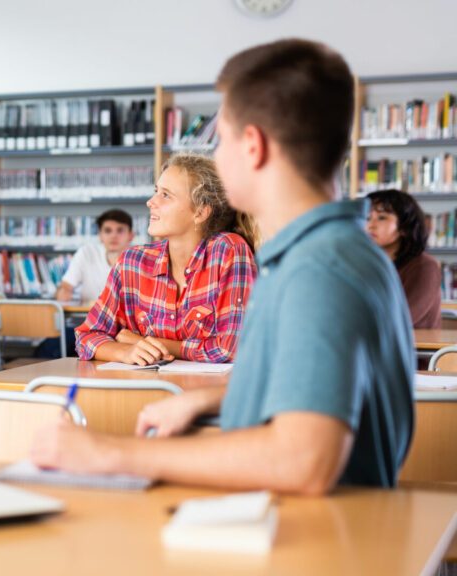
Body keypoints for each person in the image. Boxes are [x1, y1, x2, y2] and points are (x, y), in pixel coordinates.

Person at [31, 39, 414, 493]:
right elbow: (313, 384)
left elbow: (304, 461)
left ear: (252, 146)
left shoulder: (318, 271)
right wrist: (210, 400)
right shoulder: (331, 250)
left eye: (223, 139)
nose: (220, 155)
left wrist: (107, 453)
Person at [75, 153, 257, 366]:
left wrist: (147, 342)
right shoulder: (132, 263)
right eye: (155, 192)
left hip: (208, 396)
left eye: (166, 195)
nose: (151, 202)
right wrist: (123, 351)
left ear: (200, 212)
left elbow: (232, 348)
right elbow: (86, 337)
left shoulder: (229, 251)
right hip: (146, 393)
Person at [365, 189, 441, 329]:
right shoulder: (368, 264)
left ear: (404, 228)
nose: (371, 225)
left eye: (382, 217)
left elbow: (401, 318)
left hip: (415, 348)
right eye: (367, 218)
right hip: (370, 345)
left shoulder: (424, 266)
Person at [54, 208, 135, 305]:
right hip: (88, 316)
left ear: (131, 235)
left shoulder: (140, 260)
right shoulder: (86, 254)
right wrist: (64, 292)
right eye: (108, 231)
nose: (113, 236)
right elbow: (65, 286)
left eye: (120, 230)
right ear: (100, 235)